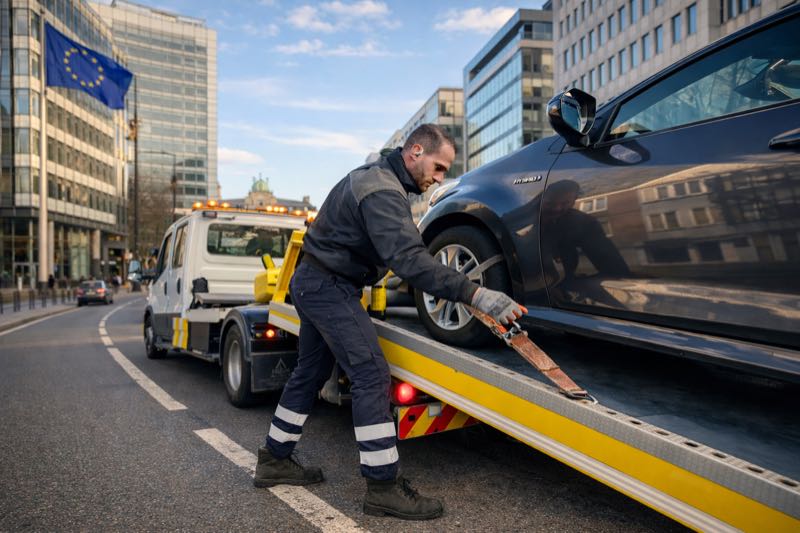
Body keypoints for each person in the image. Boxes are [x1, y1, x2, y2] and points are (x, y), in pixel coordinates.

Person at [254, 124, 526, 520]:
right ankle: (382, 485)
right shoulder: (382, 189)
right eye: (438, 167)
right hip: (329, 286)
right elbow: (411, 261)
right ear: (415, 151)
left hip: (316, 282)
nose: (440, 178)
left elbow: (394, 255)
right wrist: (475, 293)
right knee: (371, 376)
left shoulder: (379, 182)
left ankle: (273, 458)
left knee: (309, 373)